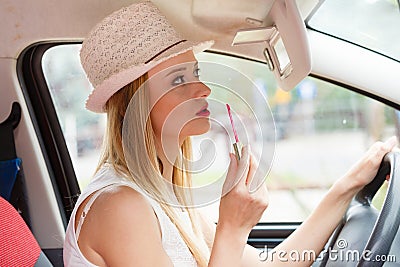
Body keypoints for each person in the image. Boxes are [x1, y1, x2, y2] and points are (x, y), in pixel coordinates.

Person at [63, 2, 398, 266]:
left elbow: (274, 265)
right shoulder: (121, 206)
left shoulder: (166, 195)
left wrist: (350, 185)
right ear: (133, 107)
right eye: (179, 81)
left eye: (195, 72)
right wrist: (233, 228)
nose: (204, 88)